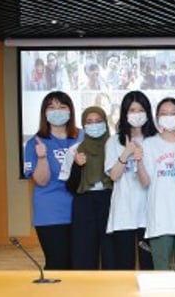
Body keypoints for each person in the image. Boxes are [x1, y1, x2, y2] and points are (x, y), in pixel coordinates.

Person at [23, 91, 80, 270]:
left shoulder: (81, 137)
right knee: (58, 264)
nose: (57, 111)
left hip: (80, 211)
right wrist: (41, 158)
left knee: (79, 265)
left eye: (62, 107)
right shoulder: (36, 142)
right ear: (44, 113)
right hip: (51, 213)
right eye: (52, 107)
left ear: (70, 111)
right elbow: (40, 181)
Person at [105, 91, 156, 270]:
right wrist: (126, 153)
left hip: (149, 212)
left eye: (140, 110)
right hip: (123, 212)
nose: (136, 114)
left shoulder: (155, 140)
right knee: (124, 265)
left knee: (148, 266)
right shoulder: (113, 142)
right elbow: (114, 176)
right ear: (125, 114)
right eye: (132, 110)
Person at [61, 106, 114, 269]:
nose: (94, 125)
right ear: (83, 125)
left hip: (110, 201)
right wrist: (77, 166)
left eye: (98, 121)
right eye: (89, 122)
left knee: (111, 253)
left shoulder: (113, 147)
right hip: (84, 203)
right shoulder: (75, 150)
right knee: (84, 253)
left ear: (106, 123)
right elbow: (70, 187)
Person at [142, 97, 175, 270]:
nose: (169, 117)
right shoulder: (149, 144)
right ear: (156, 117)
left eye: (174, 113)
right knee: (161, 272)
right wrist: (138, 161)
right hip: (160, 217)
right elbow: (144, 181)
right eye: (164, 113)